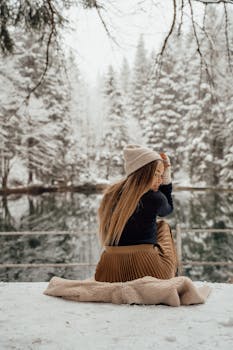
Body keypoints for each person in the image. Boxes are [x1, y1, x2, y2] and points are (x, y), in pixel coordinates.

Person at [94, 144, 178, 283]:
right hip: (150, 272)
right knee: (162, 225)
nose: (160, 180)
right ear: (143, 173)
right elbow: (167, 210)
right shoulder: (155, 197)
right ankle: (173, 278)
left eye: (162, 175)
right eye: (156, 174)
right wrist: (167, 179)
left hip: (108, 273)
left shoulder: (110, 194)